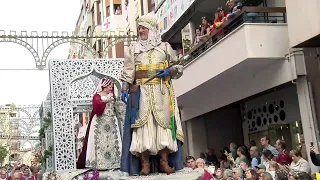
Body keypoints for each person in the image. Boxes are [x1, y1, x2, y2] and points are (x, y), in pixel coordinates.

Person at [120, 12, 184, 175]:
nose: (140, 31)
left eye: (143, 28)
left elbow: (179, 67)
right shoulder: (133, 49)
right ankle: (144, 164)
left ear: (152, 29)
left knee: (162, 125)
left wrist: (169, 70)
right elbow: (128, 72)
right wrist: (124, 89)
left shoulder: (165, 47)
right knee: (142, 126)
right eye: (139, 28)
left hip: (161, 91)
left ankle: (164, 162)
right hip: (140, 92)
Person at [77, 78, 126, 170]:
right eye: (109, 86)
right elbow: (97, 108)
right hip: (99, 124)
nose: (111, 88)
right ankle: (99, 164)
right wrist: (105, 101)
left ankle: (114, 163)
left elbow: (119, 108)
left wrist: (124, 108)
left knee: (112, 143)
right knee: (100, 143)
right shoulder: (97, 96)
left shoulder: (113, 96)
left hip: (111, 123)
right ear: (104, 86)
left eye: (111, 86)